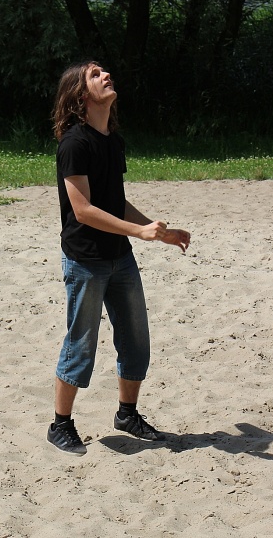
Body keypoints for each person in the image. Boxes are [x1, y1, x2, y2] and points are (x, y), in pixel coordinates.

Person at [47, 60, 190, 455]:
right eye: (95, 75)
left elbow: (115, 202)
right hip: (85, 260)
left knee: (136, 340)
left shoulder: (112, 140)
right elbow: (83, 211)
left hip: (119, 257)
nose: (106, 75)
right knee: (81, 345)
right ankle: (60, 425)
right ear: (80, 96)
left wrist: (157, 232)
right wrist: (138, 232)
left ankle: (127, 414)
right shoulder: (74, 144)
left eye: (105, 72)